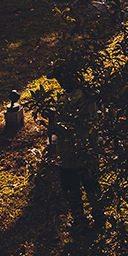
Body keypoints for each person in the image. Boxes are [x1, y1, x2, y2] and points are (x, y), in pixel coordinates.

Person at [51, 69, 105, 235]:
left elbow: (65, 125)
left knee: (74, 185)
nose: (60, 82)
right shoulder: (88, 95)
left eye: (62, 77)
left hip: (73, 152)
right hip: (83, 152)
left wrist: (54, 119)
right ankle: (93, 216)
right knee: (86, 184)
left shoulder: (75, 99)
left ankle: (82, 219)